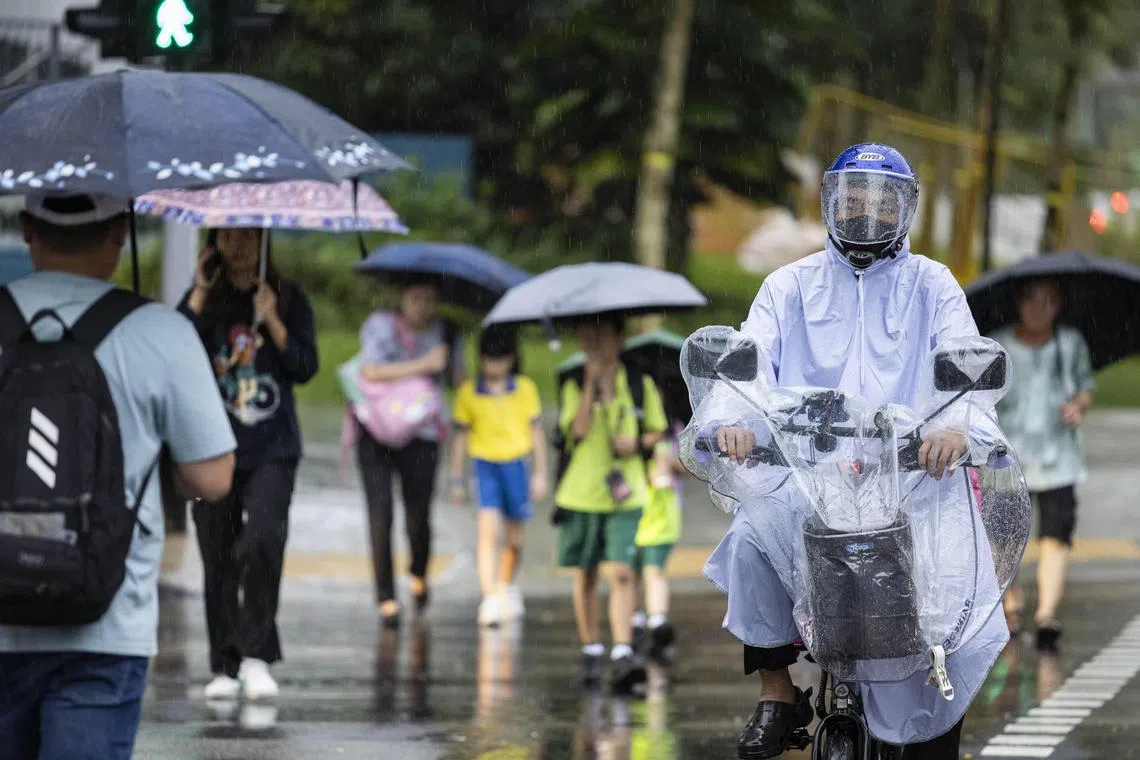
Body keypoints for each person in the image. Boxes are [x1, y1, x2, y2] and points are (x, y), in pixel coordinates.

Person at [707, 144, 1006, 758]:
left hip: (916, 479)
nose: (866, 211)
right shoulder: (789, 285)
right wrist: (735, 420)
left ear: (906, 208)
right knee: (752, 533)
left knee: (953, 606)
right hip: (809, 476)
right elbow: (749, 361)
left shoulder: (931, 283)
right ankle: (775, 691)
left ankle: (933, 721)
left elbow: (962, 360)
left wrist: (955, 426)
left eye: (881, 199)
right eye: (853, 198)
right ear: (830, 203)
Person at [0, 193, 235, 759]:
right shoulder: (160, 331)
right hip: (106, 625)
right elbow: (214, 478)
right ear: (118, 234)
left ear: (29, 229)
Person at [178, 228, 318, 700]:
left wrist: (273, 320)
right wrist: (199, 290)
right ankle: (225, 663)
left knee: (260, 540)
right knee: (216, 551)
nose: (237, 247)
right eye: (228, 237)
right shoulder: (204, 299)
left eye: (247, 237)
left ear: (263, 241)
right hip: (210, 444)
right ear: (214, 241)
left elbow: (305, 367)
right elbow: (174, 350)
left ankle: (257, 654)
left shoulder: (288, 296)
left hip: (273, 445)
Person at [554, 315, 668, 694]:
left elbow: (657, 428)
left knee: (620, 572)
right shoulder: (572, 383)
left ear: (620, 340)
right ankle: (591, 648)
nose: (596, 346)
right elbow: (578, 430)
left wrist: (635, 444)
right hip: (581, 495)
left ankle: (621, 651)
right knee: (585, 574)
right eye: (589, 339)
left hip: (626, 495)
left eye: (603, 338)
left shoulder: (638, 383)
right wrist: (591, 385)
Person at [990, 278, 1094, 651]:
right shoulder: (997, 344)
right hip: (1004, 458)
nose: (1040, 309)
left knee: (1056, 534)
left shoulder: (1069, 343)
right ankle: (1010, 605)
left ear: (1059, 305)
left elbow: (1084, 387)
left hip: (1058, 459)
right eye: (1032, 301)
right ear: (1018, 303)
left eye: (1049, 301)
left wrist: (1077, 406)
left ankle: (1047, 612)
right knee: (1003, 535)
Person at [356, 279, 465, 627]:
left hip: (423, 434)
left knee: (418, 516)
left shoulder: (447, 331)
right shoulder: (380, 325)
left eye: (430, 298)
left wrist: (452, 366)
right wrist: (423, 364)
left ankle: (419, 571)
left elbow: (460, 383)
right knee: (380, 513)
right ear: (402, 295)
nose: (423, 305)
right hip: (376, 430)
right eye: (416, 297)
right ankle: (385, 596)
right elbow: (370, 369)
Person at [449, 325, 549, 626]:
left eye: (500, 358)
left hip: (516, 465)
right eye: (489, 359)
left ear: (511, 358)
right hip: (485, 466)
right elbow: (461, 439)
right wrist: (456, 479)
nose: (494, 366)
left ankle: (504, 584)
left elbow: (536, 434)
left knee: (514, 539)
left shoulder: (525, 389)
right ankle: (489, 596)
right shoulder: (468, 393)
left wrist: (541, 473)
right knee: (488, 533)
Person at [631, 424, 685, 661]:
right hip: (632, 514)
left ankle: (657, 618)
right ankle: (636, 617)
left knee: (654, 570)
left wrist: (669, 463)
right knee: (630, 572)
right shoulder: (625, 439)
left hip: (660, 520)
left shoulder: (671, 437)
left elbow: (691, 464)